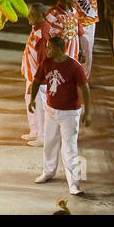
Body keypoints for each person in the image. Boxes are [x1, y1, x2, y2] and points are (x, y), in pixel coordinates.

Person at [28, 35, 90, 196]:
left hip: (69, 113)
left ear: (59, 49)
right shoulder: (46, 63)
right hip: (51, 110)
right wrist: (32, 100)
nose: (46, 50)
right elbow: (36, 81)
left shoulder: (74, 66)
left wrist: (87, 112)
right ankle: (48, 172)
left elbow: (85, 88)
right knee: (49, 142)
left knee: (69, 148)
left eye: (49, 47)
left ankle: (74, 184)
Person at [21, 4, 49, 144]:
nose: (28, 16)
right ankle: (35, 131)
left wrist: (37, 81)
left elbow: (43, 60)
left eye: (32, 14)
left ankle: (43, 137)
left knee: (39, 107)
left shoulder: (42, 34)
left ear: (41, 16)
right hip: (30, 76)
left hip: (38, 79)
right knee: (30, 103)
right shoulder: (36, 28)